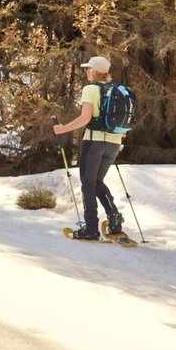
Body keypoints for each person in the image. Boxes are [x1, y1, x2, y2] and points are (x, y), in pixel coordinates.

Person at [52, 56, 125, 240]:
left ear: (93, 71)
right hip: (114, 144)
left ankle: (91, 228)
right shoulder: (115, 90)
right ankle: (114, 217)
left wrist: (62, 129)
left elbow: (85, 118)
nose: (85, 71)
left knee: (88, 183)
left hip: (94, 143)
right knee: (97, 182)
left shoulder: (90, 89)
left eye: (87, 69)